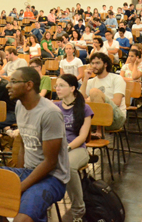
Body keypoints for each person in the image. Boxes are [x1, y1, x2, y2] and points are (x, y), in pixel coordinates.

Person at [3, 67, 69, 222]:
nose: (8, 85)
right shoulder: (20, 105)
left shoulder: (49, 113)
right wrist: (17, 175)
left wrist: (20, 187)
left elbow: (50, 163)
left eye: (13, 81)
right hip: (29, 171)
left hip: (52, 178)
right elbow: (24, 144)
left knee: (22, 219)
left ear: (28, 85)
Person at [54, 74, 93, 221]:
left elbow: (82, 137)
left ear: (72, 88)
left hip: (77, 149)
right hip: (56, 147)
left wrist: (67, 148)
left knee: (68, 166)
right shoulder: (55, 106)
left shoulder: (84, 108)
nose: (57, 88)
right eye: (56, 85)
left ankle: (78, 210)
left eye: (61, 85)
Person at [81, 52, 126, 134]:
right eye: (93, 63)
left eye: (97, 63)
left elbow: (117, 102)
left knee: (94, 92)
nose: (94, 66)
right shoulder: (90, 81)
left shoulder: (117, 78)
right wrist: (85, 79)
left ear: (105, 64)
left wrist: (94, 99)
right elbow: (80, 100)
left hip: (115, 117)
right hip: (94, 117)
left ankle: (99, 132)